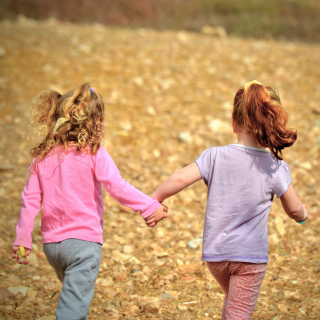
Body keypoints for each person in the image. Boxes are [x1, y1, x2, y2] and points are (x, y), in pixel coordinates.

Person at [146, 80, 308, 319]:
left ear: (233, 123)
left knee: (234, 307)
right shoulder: (276, 167)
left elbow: (180, 178)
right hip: (249, 259)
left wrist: (154, 198)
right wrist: (303, 215)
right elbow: (293, 209)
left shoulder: (215, 156)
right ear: (272, 123)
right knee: (237, 314)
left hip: (217, 256)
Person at [11, 83, 168, 320]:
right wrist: (149, 206)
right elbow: (117, 186)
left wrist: (22, 237)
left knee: (75, 302)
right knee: (72, 309)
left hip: (52, 247)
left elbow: (30, 199)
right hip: (83, 245)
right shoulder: (95, 153)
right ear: (96, 123)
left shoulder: (42, 156)